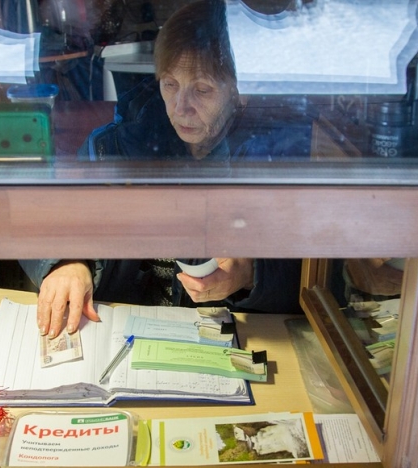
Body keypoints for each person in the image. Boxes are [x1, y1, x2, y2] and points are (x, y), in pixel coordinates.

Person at [22, 0, 311, 338]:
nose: (180, 107)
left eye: (202, 89)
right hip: (123, 334)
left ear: (239, 93)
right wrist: (68, 261)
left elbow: (322, 279)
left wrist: (252, 274)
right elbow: (36, 215)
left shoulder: (283, 161)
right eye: (170, 84)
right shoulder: (114, 148)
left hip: (237, 341)